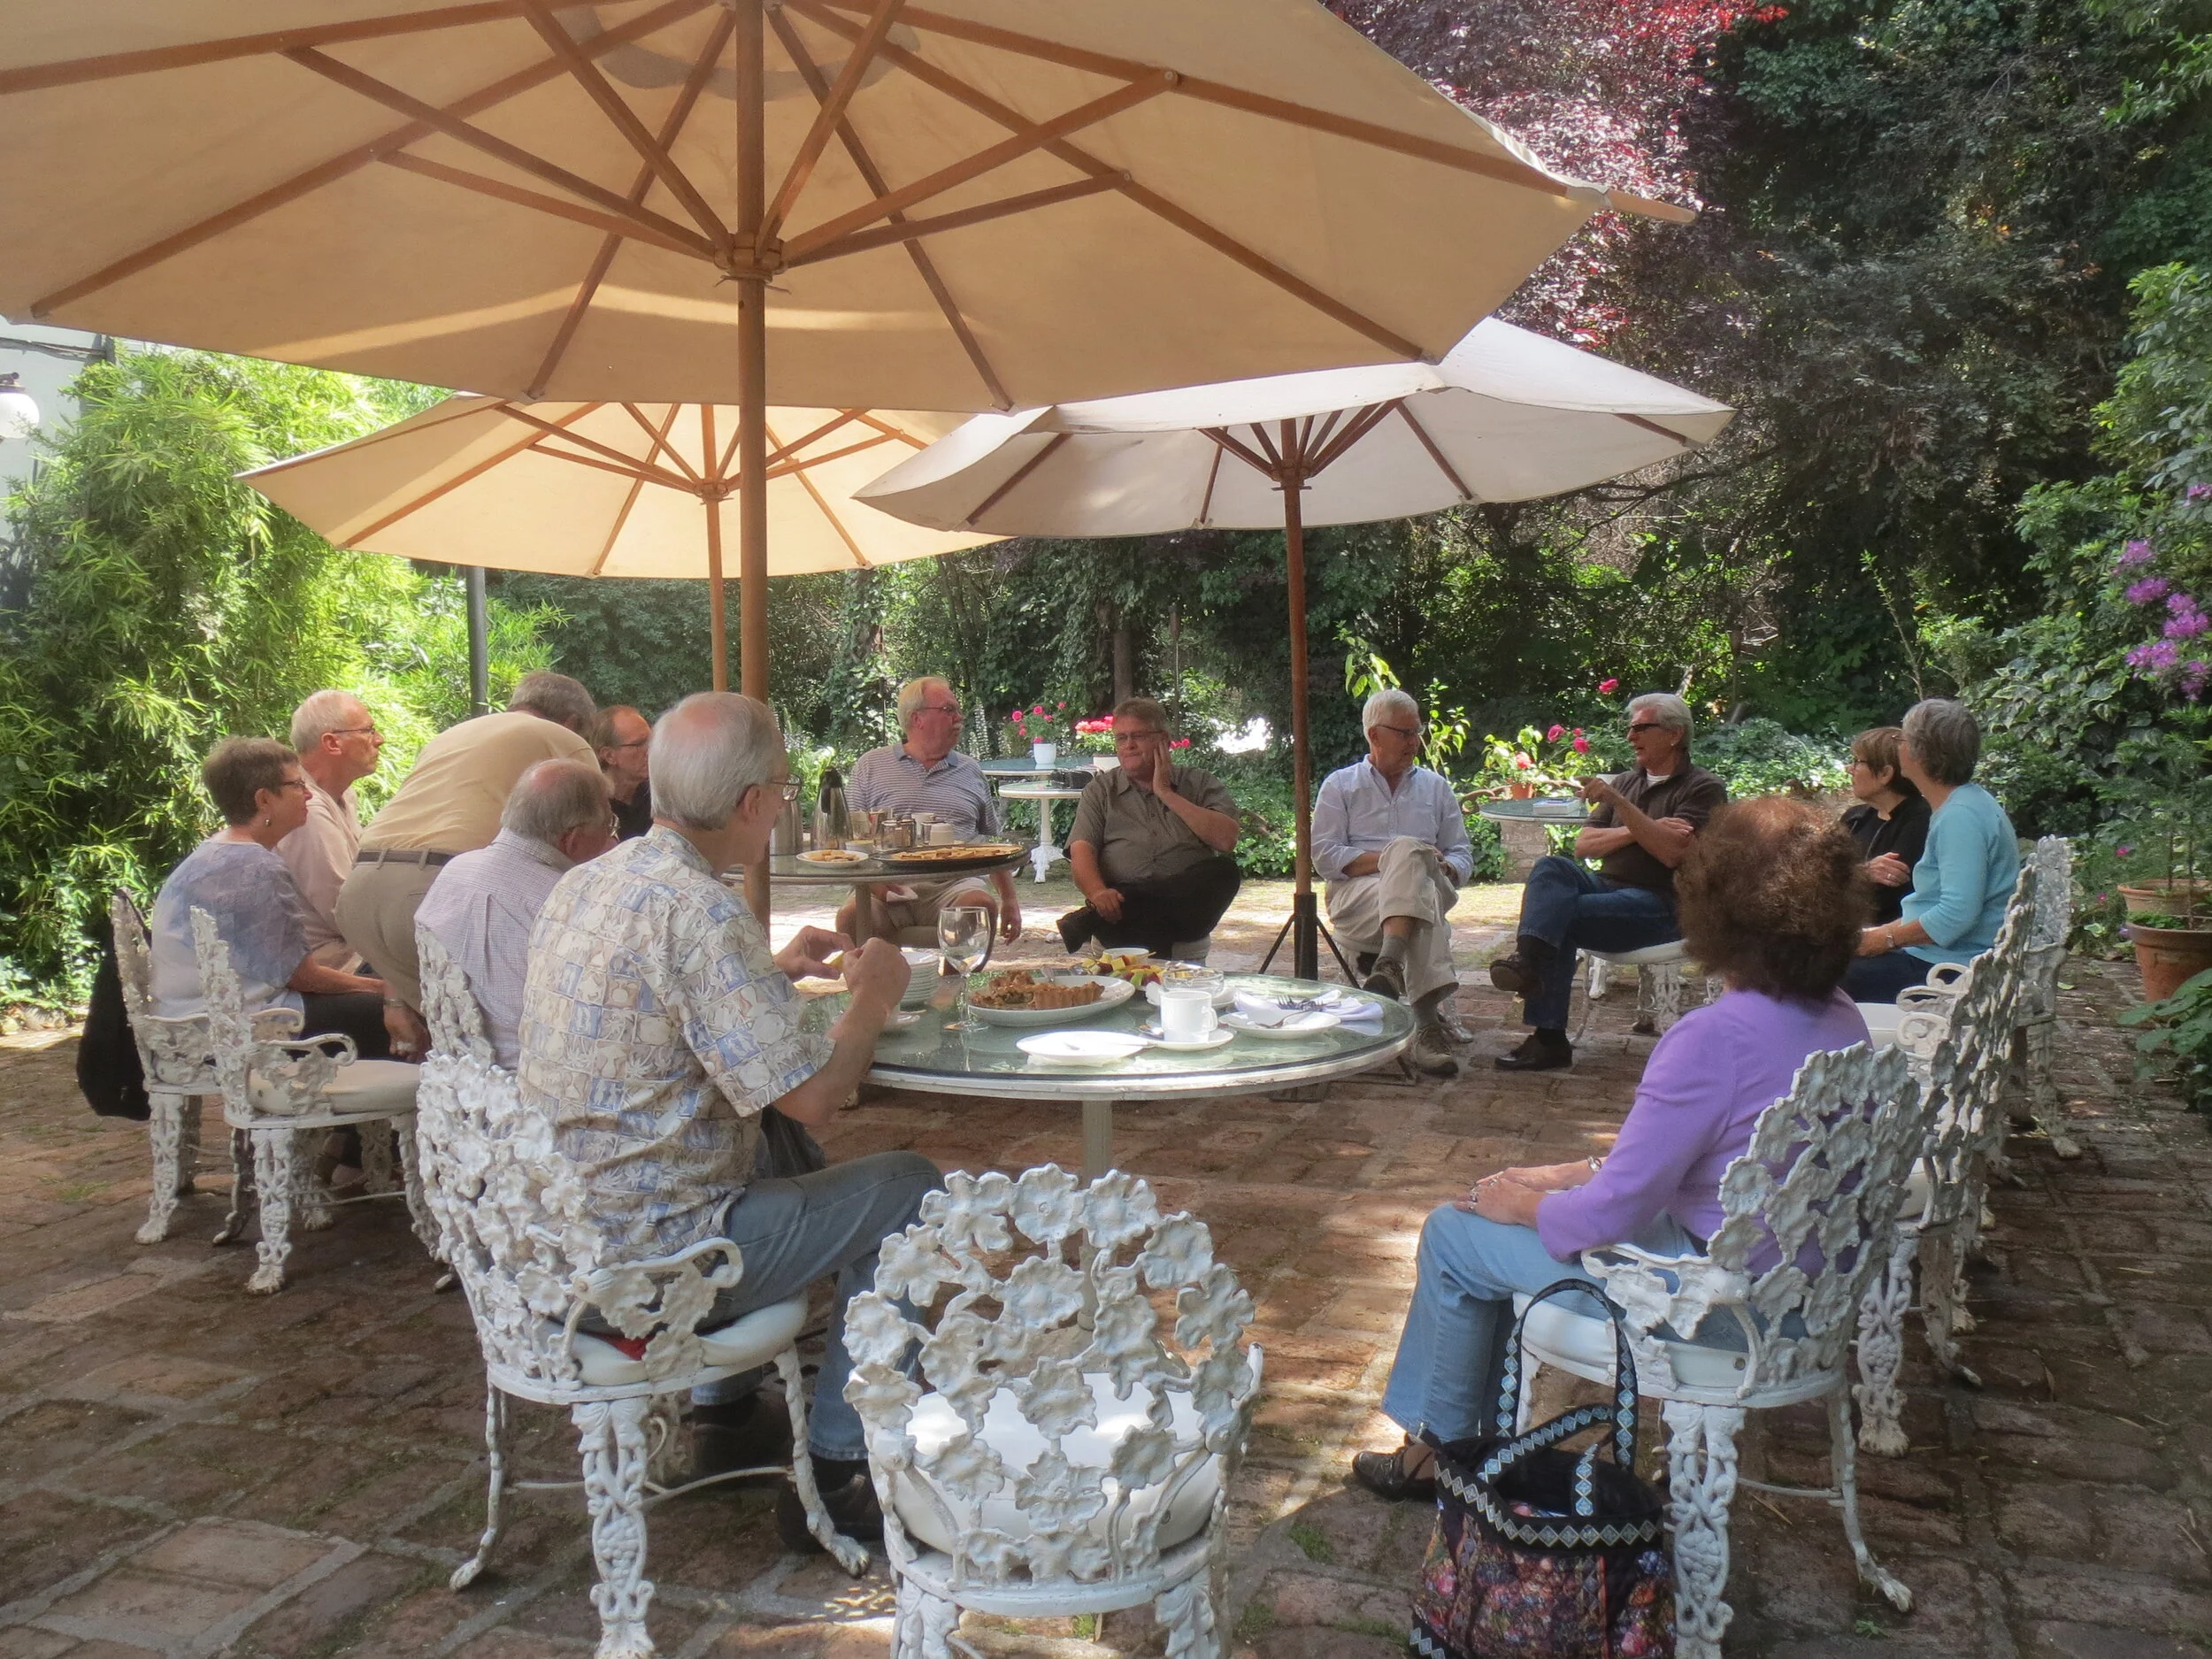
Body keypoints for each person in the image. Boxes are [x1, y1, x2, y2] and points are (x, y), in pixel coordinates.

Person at [1351, 797, 1873, 1501]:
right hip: (1804, 1292)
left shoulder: (1711, 1038)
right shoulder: (1842, 1017)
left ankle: (1435, 1455)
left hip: (1711, 1309)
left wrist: (1525, 1201)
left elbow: (1609, 1219)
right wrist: (1572, 1173)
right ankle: (1477, 1445)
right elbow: (1712, 1156)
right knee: (1497, 1235)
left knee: (1455, 1234)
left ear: (1713, 908)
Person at [518, 691, 935, 1548]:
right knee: (909, 1188)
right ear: (750, 804)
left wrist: (769, 970)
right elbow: (819, 1091)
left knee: (777, 1139)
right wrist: (875, 995)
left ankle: (727, 1411)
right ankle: (840, 1466)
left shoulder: (589, 882)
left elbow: (675, 1026)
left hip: (554, 1244)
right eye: (780, 788)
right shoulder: (701, 909)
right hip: (653, 1263)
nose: (784, 802)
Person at [336, 671, 596, 1057]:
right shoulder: (566, 742)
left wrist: (395, 998)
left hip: (360, 893)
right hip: (441, 884)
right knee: (508, 1041)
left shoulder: (454, 735)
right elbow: (591, 827)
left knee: (452, 1040)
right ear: (574, 723)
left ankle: (444, 1112)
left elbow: (409, 854)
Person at [1487, 693, 1727, 1073]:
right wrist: (1639, 832)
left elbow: (1671, 854)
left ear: (1675, 734)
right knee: (1552, 867)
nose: (1631, 736)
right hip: (1607, 886)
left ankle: (1548, 1036)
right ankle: (1529, 958)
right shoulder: (1630, 782)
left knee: (1560, 914)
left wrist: (1623, 807)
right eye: (1629, 728)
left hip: (1662, 904)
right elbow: (1585, 844)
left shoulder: (1702, 788)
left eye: (1641, 727)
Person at [150, 738, 394, 1058]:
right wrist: (388, 990)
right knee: (400, 1011)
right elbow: (302, 977)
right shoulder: (256, 866)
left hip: (191, 1019)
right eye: (297, 785)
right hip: (248, 1026)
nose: (308, 794)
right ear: (263, 799)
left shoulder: (214, 852)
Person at [1313, 687, 1475, 1080]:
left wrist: (1441, 866)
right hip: (1358, 898)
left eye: (1417, 732)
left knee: (1414, 865)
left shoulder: (1436, 787)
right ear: (1374, 735)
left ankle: (1389, 963)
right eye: (1404, 733)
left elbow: (1463, 855)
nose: (1413, 742)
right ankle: (1426, 1027)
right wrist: (1400, 857)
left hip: (1433, 888)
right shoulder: (1340, 785)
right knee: (1409, 861)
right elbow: (1324, 856)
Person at [415, 760, 615, 1067]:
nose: (611, 840)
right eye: (609, 827)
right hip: (537, 1089)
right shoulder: (568, 900)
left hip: (457, 1081)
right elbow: (600, 1022)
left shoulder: (452, 872)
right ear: (571, 839)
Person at [1842, 698, 2019, 1003]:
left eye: (1903, 739)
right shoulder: (1964, 802)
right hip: (1945, 956)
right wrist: (1879, 933)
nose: (1899, 746)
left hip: (1950, 970)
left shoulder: (1960, 817)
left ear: (1918, 753)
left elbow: (1957, 913)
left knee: (1809, 979)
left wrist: (1882, 940)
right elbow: (1934, 905)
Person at [1058, 698, 1243, 958]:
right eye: (1121, 738)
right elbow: (1081, 852)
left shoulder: (1198, 783)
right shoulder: (1101, 790)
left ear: (1163, 740)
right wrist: (1099, 893)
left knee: (1224, 872)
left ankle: (1096, 915)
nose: (1128, 745)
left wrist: (1166, 792)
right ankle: (1130, 904)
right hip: (1121, 923)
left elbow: (1226, 840)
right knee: (1129, 906)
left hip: (1184, 918)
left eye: (1138, 736)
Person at [843, 676, 1021, 944]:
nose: (959, 718)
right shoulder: (870, 766)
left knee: (978, 905)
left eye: (958, 710)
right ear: (917, 719)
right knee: (851, 917)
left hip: (953, 886)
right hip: (883, 886)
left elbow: (991, 845)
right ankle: (889, 985)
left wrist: (1009, 900)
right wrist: (879, 887)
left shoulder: (969, 770)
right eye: (949, 710)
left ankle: (952, 984)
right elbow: (851, 841)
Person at [279, 690, 385, 970]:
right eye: (368, 731)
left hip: (350, 954)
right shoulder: (307, 809)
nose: (379, 740)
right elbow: (346, 913)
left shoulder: (341, 795)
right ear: (332, 743)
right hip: (330, 967)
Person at [1840, 726, 1931, 927]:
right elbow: (1817, 873)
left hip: (1888, 938)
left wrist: (1841, 876)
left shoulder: (1920, 819)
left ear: (1884, 774)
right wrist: (1863, 873)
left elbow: (1884, 896)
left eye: (1857, 762)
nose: (1849, 769)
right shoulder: (1855, 817)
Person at [591, 704, 656, 841]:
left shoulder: (658, 794)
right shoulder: (594, 806)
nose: (650, 750)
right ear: (609, 755)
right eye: (639, 744)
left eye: (651, 741)